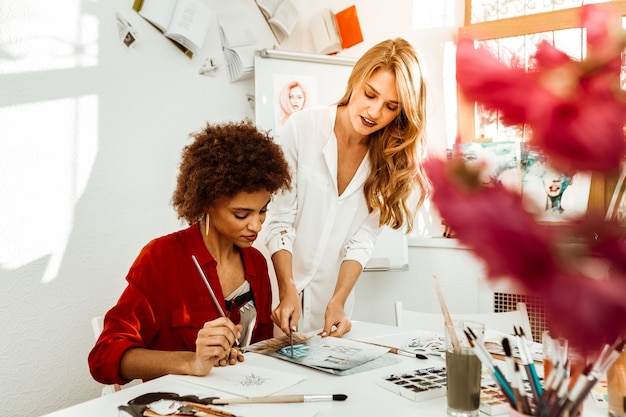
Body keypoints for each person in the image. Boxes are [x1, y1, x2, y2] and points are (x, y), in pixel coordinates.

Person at [88, 121, 291, 386]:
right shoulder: (161, 258)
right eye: (241, 214)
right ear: (206, 203)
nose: (256, 225)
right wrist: (192, 362)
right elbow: (104, 358)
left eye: (262, 210)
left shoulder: (256, 262)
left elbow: (258, 352)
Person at [265, 38, 430, 338]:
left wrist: (338, 300)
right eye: (370, 94)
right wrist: (287, 288)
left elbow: (362, 239)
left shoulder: (389, 162)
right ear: (356, 78)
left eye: (391, 107)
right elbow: (279, 220)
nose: (374, 111)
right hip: (277, 298)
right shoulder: (302, 129)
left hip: (331, 312)